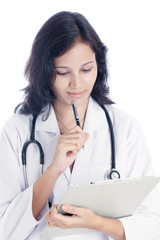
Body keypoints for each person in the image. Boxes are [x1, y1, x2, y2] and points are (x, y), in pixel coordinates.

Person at [0, 11, 160, 240]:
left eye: (86, 69)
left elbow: (152, 225)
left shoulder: (124, 129)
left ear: (99, 66)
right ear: (45, 72)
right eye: (63, 72)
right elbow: (5, 230)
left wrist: (96, 222)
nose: (76, 83)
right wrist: (53, 170)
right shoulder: (17, 131)